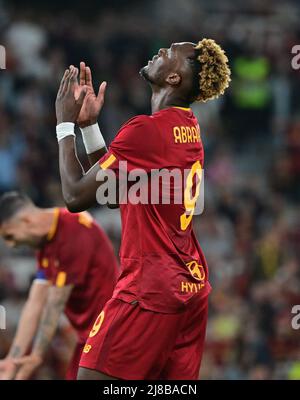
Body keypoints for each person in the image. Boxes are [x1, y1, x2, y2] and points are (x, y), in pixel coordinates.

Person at [54, 39, 231, 380]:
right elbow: (113, 194)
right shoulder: (187, 129)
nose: (160, 52)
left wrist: (65, 126)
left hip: (149, 291)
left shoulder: (147, 132)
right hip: (190, 290)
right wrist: (90, 127)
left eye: (169, 52)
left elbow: (75, 197)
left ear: (175, 78)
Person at [0, 192, 118, 380]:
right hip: (88, 338)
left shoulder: (73, 227)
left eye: (9, 235)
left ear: (26, 221)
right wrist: (13, 359)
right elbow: (35, 302)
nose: (11, 245)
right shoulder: (45, 245)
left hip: (111, 335)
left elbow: (55, 303)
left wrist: (37, 355)